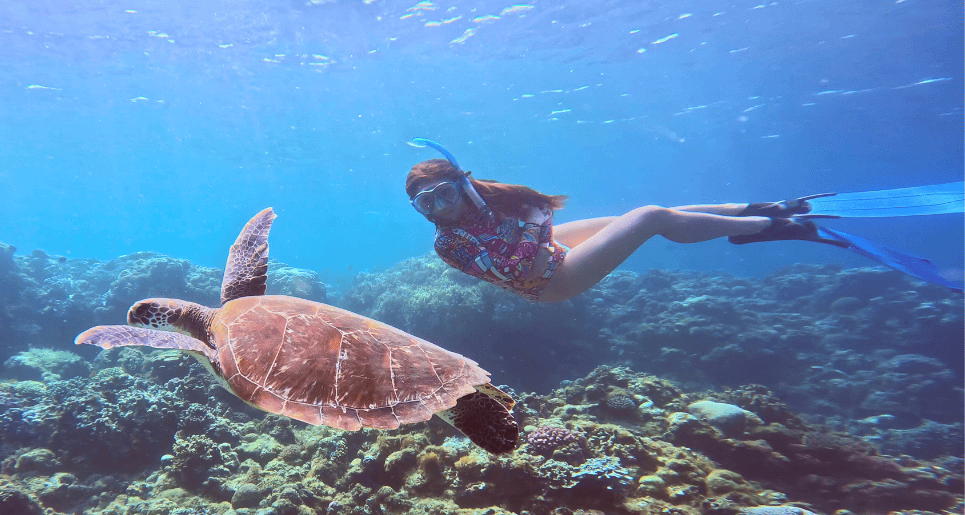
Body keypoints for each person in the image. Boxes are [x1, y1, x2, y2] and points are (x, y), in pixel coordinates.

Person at [405, 139, 963, 300]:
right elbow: (521, 268)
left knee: (640, 214)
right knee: (649, 217)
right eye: (424, 205)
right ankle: (782, 228)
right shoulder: (448, 247)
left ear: (463, 185)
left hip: (545, 252)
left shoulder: (495, 202)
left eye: (442, 194)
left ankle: (767, 209)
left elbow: (537, 220)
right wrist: (529, 221)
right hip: (552, 281)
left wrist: (524, 216)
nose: (439, 210)